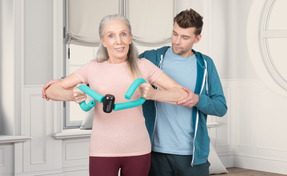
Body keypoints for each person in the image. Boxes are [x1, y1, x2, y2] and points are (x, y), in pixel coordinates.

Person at [43, 14, 189, 176]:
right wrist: (73, 95)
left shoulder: (144, 66)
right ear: (103, 41)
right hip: (102, 150)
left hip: (138, 149)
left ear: (130, 38)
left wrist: (154, 94)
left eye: (123, 34)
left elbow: (182, 94)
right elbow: (50, 90)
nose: (118, 41)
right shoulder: (92, 68)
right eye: (111, 35)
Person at [138, 8, 227, 176]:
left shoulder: (206, 65)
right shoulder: (151, 58)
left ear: (197, 38)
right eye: (175, 34)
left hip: (192, 157)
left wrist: (198, 100)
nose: (177, 41)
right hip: (155, 154)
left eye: (185, 37)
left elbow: (221, 107)